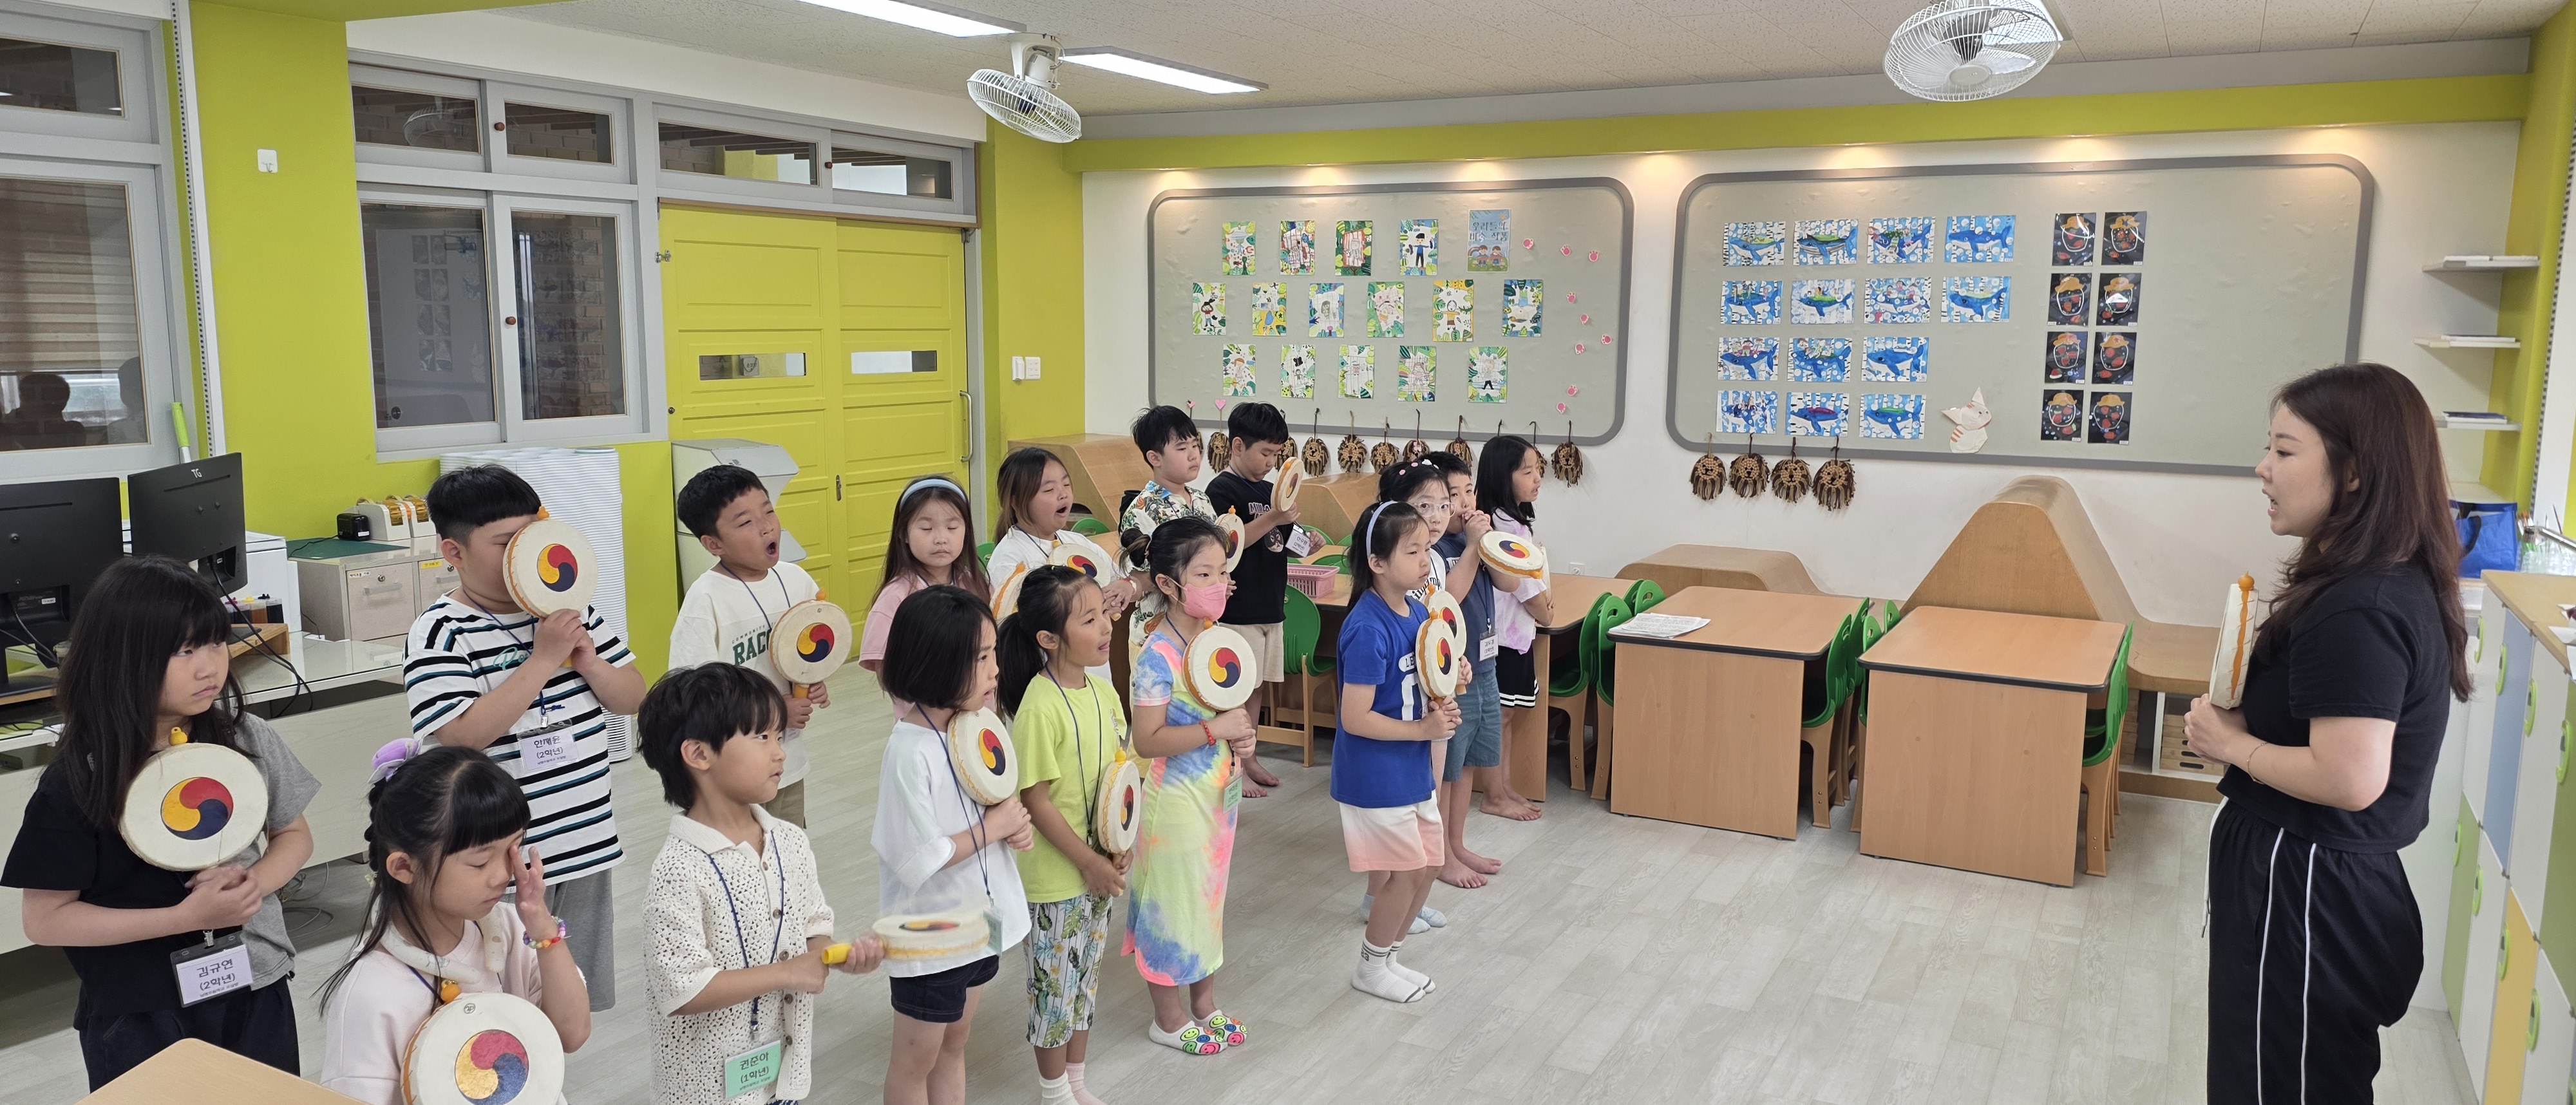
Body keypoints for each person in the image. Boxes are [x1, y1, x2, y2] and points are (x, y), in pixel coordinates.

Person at [2183, 363, 2469, 1104]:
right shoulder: (2372, 581)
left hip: (2306, 889)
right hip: (2308, 881)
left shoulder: (2359, 607)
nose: (2263, 468)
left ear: (2353, 472)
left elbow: (2349, 778)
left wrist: (2231, 745)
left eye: (2283, 450)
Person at [2, 557, 319, 1088]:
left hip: (255, 979)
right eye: (183, 651)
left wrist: (252, 884)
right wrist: (183, 917)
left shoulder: (246, 737)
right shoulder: (82, 775)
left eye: (215, 643)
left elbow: (294, 834)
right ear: (120, 658)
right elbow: (46, 919)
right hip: (140, 1006)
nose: (209, 667)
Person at [404, 464, 646, 1011]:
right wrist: (541, 660)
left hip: (584, 842)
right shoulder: (440, 630)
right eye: (504, 543)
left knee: (571, 998)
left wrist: (588, 661)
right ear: (453, 552)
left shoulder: (570, 609)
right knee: (507, 1006)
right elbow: (462, 734)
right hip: (497, 865)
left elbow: (633, 696)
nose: (523, 555)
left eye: (530, 537)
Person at [638, 663, 882, 1105]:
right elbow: (683, 988)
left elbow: (812, 926)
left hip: (783, 1077)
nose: (780, 753)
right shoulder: (678, 869)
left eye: (779, 737)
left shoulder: (789, 840)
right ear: (699, 755)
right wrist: (788, 972)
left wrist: (835, 955)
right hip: (706, 1092)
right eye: (762, 737)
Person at [317, 744, 589, 1104]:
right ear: (404, 867)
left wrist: (542, 928)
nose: (503, 875)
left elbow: (572, 1034)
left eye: (513, 848)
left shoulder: (512, 929)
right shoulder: (370, 991)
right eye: (479, 863)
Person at [871, 584, 1034, 1105]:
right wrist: (994, 828)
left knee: (954, 1045)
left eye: (992, 654)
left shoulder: (973, 728)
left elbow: (994, 804)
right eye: (981, 658)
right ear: (936, 663)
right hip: (933, 939)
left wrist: (1013, 826)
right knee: (914, 1061)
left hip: (981, 925)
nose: (995, 670)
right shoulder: (908, 752)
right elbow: (920, 857)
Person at [1121, 516, 1258, 1055]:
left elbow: (1228, 714)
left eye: (1223, 572)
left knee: (1208, 900)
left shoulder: (1214, 639)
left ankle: (1205, 1004)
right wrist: (1214, 730)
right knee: (1172, 904)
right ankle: (1169, 1017)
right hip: (1175, 803)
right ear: (1168, 584)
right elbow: (1147, 739)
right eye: (1204, 574)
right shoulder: (1156, 656)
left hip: (1217, 798)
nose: (1219, 584)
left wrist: (1240, 737)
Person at [998, 567, 1128, 1105]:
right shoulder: (1039, 705)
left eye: (1105, 614)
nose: (1106, 627)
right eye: (1089, 619)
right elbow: (1036, 801)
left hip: (1098, 869)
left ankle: (1076, 1083)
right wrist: (1088, 862)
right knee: (1054, 992)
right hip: (1056, 878)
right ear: (1049, 639)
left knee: (1084, 982)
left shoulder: (1103, 691)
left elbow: (1119, 778)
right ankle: (1054, 1094)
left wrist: (1116, 847)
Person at [1119, 404, 1286, 795]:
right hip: (1157, 632)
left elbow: (1217, 558)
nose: (1195, 455)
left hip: (1202, 630)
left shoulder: (1201, 500)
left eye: (1196, 445)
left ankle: (1211, 789)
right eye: (1182, 448)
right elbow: (1144, 575)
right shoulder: (1142, 509)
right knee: (1159, 725)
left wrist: (1218, 582)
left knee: (1203, 711)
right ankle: (1147, 801)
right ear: (1154, 458)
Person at [1334, 502, 1459, 1003]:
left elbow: (1424, 679)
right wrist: (1424, 729)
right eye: (1413, 551)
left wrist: (1452, 677)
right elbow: (1354, 718)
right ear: (1378, 562)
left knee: (1429, 865)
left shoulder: (1419, 613)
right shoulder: (1367, 628)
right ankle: (1370, 969)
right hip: (1375, 775)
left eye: (1427, 548)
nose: (1426, 559)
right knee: (1405, 872)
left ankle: (1387, 958)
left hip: (1411, 768)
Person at [670, 463, 828, 826]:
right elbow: (692, 697)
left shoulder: (797, 581)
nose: (766, 527)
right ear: (714, 544)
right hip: (732, 777)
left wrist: (813, 680)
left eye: (769, 511)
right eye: (745, 523)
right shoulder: (706, 601)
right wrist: (775, 712)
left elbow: (809, 650)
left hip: (787, 765)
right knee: (741, 854)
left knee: (788, 849)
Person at [1202, 402, 1303, 795]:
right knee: (1235, 690)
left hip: (1269, 604)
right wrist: (1275, 516)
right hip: (1238, 609)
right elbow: (1230, 543)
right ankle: (1231, 764)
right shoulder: (1221, 490)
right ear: (1238, 446)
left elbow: (1280, 540)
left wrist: (1303, 540)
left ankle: (1250, 756)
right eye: (1265, 453)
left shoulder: (1268, 490)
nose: (1271, 462)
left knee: (1257, 688)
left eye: (1276, 454)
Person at [1420, 451, 1506, 889]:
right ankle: (1441, 856)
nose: (1464, 502)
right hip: (1452, 672)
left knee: (1469, 761)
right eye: (1452, 496)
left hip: (1483, 664)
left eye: (1468, 491)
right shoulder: (1435, 550)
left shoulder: (1475, 539)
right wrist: (1472, 547)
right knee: (1449, 769)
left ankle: (1455, 843)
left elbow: (1510, 583)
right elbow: (1447, 599)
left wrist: (1487, 543)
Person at [861, 476, 990, 720]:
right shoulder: (895, 597)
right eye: (927, 529)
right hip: (927, 723)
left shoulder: (976, 585)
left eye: (952, 528)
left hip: (978, 720)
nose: (941, 538)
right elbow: (886, 674)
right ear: (904, 533)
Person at [988, 446, 1144, 639]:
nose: (1063, 494)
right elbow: (1013, 631)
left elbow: (1124, 580)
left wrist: (1127, 587)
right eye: (1049, 489)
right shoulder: (1009, 559)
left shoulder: (1077, 542)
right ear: (1017, 502)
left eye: (1066, 484)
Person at [1475, 437, 1553, 820]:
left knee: (1505, 717)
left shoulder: (1513, 521)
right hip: (1503, 638)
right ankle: (1494, 795)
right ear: (1502, 477)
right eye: (1527, 471)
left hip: (1512, 637)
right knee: (1498, 718)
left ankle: (1503, 787)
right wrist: (1546, 613)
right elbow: (1525, 588)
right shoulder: (1503, 528)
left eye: (1538, 469)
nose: (1537, 478)